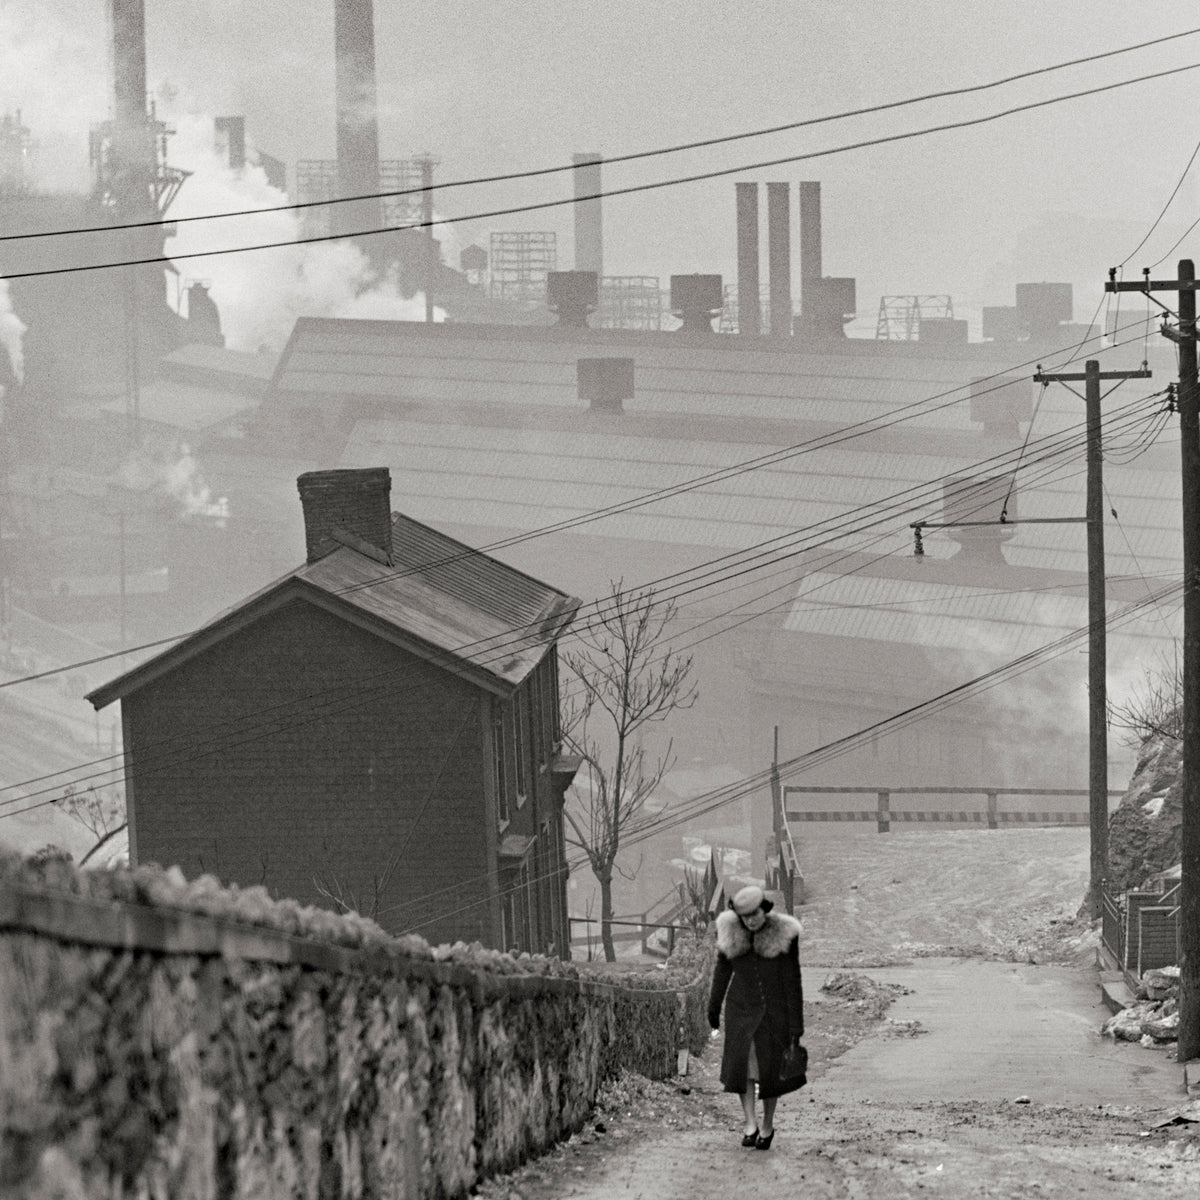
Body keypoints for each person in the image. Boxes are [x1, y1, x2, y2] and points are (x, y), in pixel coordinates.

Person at [707, 884, 805, 1149]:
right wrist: (713, 1008)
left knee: (769, 1072)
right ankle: (749, 1123)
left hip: (774, 1013)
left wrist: (796, 1025)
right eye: (744, 916)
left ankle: (767, 1124)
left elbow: (792, 980)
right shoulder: (730, 933)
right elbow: (722, 972)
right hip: (740, 1010)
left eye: (754, 914)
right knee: (743, 1070)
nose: (750, 920)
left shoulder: (783, 935)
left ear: (764, 910)